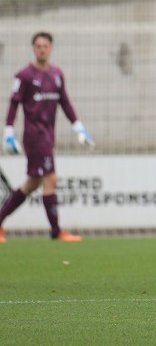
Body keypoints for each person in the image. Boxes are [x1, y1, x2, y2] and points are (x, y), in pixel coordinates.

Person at [0, 32, 94, 242]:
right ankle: (55, 231)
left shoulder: (57, 74)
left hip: (48, 136)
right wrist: (8, 132)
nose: (42, 49)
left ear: (51, 48)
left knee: (32, 183)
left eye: (45, 46)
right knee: (51, 178)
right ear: (34, 49)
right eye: (38, 46)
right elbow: (14, 103)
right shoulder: (23, 76)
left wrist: (78, 127)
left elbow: (65, 103)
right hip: (34, 137)